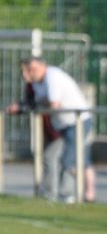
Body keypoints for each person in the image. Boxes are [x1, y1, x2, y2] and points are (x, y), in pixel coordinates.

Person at [26, 55, 96, 203]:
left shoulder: (53, 77)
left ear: (42, 66)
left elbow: (54, 104)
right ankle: (49, 193)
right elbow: (35, 102)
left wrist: (42, 103)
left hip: (77, 122)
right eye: (28, 70)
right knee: (50, 156)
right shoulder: (36, 82)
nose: (30, 73)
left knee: (69, 160)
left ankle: (68, 195)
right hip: (61, 125)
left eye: (33, 69)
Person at [5, 58, 63, 199]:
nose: (25, 75)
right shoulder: (32, 85)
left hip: (61, 126)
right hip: (48, 129)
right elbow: (30, 103)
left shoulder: (49, 79)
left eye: (27, 71)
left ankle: (56, 195)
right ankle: (49, 193)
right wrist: (19, 107)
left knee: (56, 159)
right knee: (49, 159)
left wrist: (23, 107)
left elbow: (46, 102)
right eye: (23, 71)